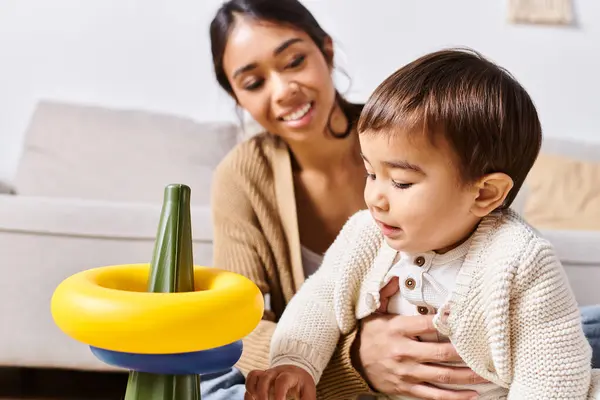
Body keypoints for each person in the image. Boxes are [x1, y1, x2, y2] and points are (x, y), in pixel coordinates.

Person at [204, 0, 600, 399]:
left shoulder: (412, 133)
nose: (374, 196)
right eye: (370, 172)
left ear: (325, 51)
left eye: (293, 61)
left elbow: (549, 376)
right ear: (237, 95)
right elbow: (315, 300)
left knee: (569, 350)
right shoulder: (359, 224)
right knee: (211, 382)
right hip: (354, 376)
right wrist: (308, 362)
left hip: (489, 374)